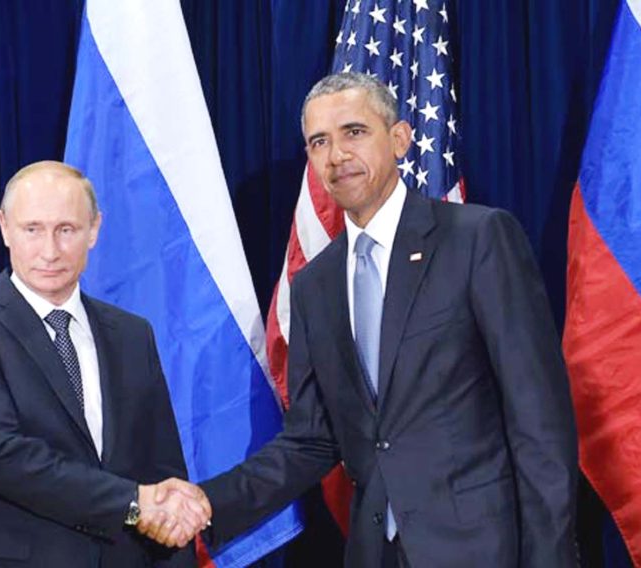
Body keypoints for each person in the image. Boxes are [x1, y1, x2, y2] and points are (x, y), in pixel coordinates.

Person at [147, 72, 579, 566]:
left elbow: (539, 418)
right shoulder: (314, 286)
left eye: (354, 132)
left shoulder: (477, 240)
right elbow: (312, 439)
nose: (336, 156)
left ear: (398, 138)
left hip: (486, 549)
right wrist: (207, 502)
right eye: (319, 142)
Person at [0, 161, 210, 567]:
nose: (50, 251)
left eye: (67, 230)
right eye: (32, 229)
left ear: (94, 229)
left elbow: (161, 467)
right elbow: (4, 456)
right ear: (5, 228)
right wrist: (132, 504)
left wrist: (171, 524)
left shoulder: (131, 333)